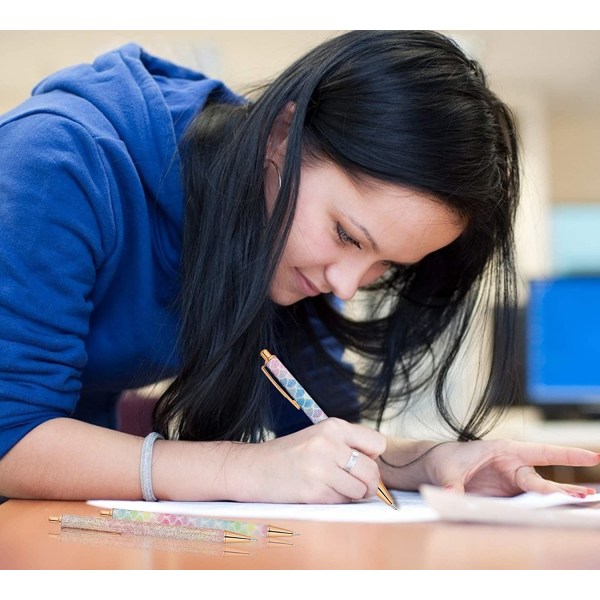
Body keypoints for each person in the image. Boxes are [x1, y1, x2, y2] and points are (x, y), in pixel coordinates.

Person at [0, 30, 597, 504]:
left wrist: (431, 464)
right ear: (281, 137)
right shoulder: (57, 162)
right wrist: (243, 468)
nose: (345, 284)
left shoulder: (277, 236)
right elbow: (11, 435)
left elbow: (318, 429)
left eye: (385, 265)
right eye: (345, 234)